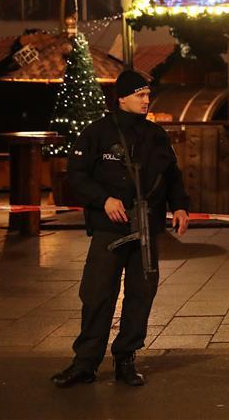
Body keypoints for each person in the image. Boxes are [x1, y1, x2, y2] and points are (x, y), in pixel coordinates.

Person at [51, 70, 190, 388]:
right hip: (109, 229)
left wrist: (180, 205)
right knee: (98, 294)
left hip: (146, 228)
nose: (146, 100)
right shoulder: (97, 133)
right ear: (122, 97)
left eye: (147, 94)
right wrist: (104, 200)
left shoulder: (156, 135)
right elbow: (77, 175)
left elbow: (172, 175)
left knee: (142, 294)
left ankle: (126, 358)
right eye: (140, 95)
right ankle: (85, 362)